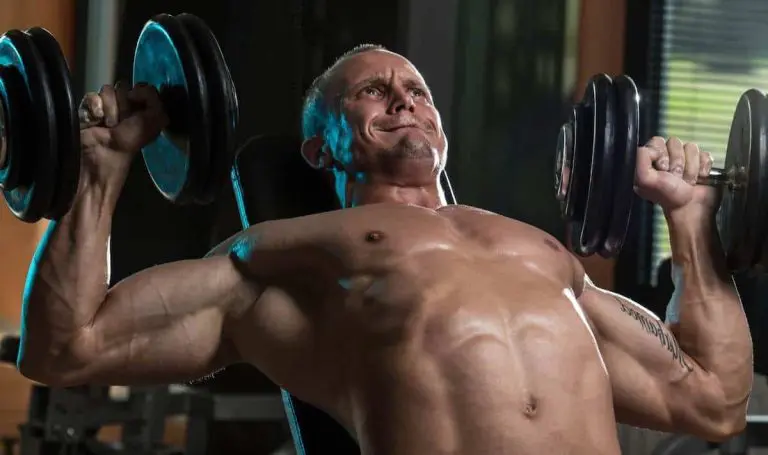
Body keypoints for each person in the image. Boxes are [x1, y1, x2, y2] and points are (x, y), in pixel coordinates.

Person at [18, 44, 752, 455]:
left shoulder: (542, 254)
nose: (404, 99)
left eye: (418, 89)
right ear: (318, 146)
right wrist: (100, 173)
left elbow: (714, 398)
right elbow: (67, 346)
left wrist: (691, 217)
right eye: (370, 92)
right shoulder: (281, 255)